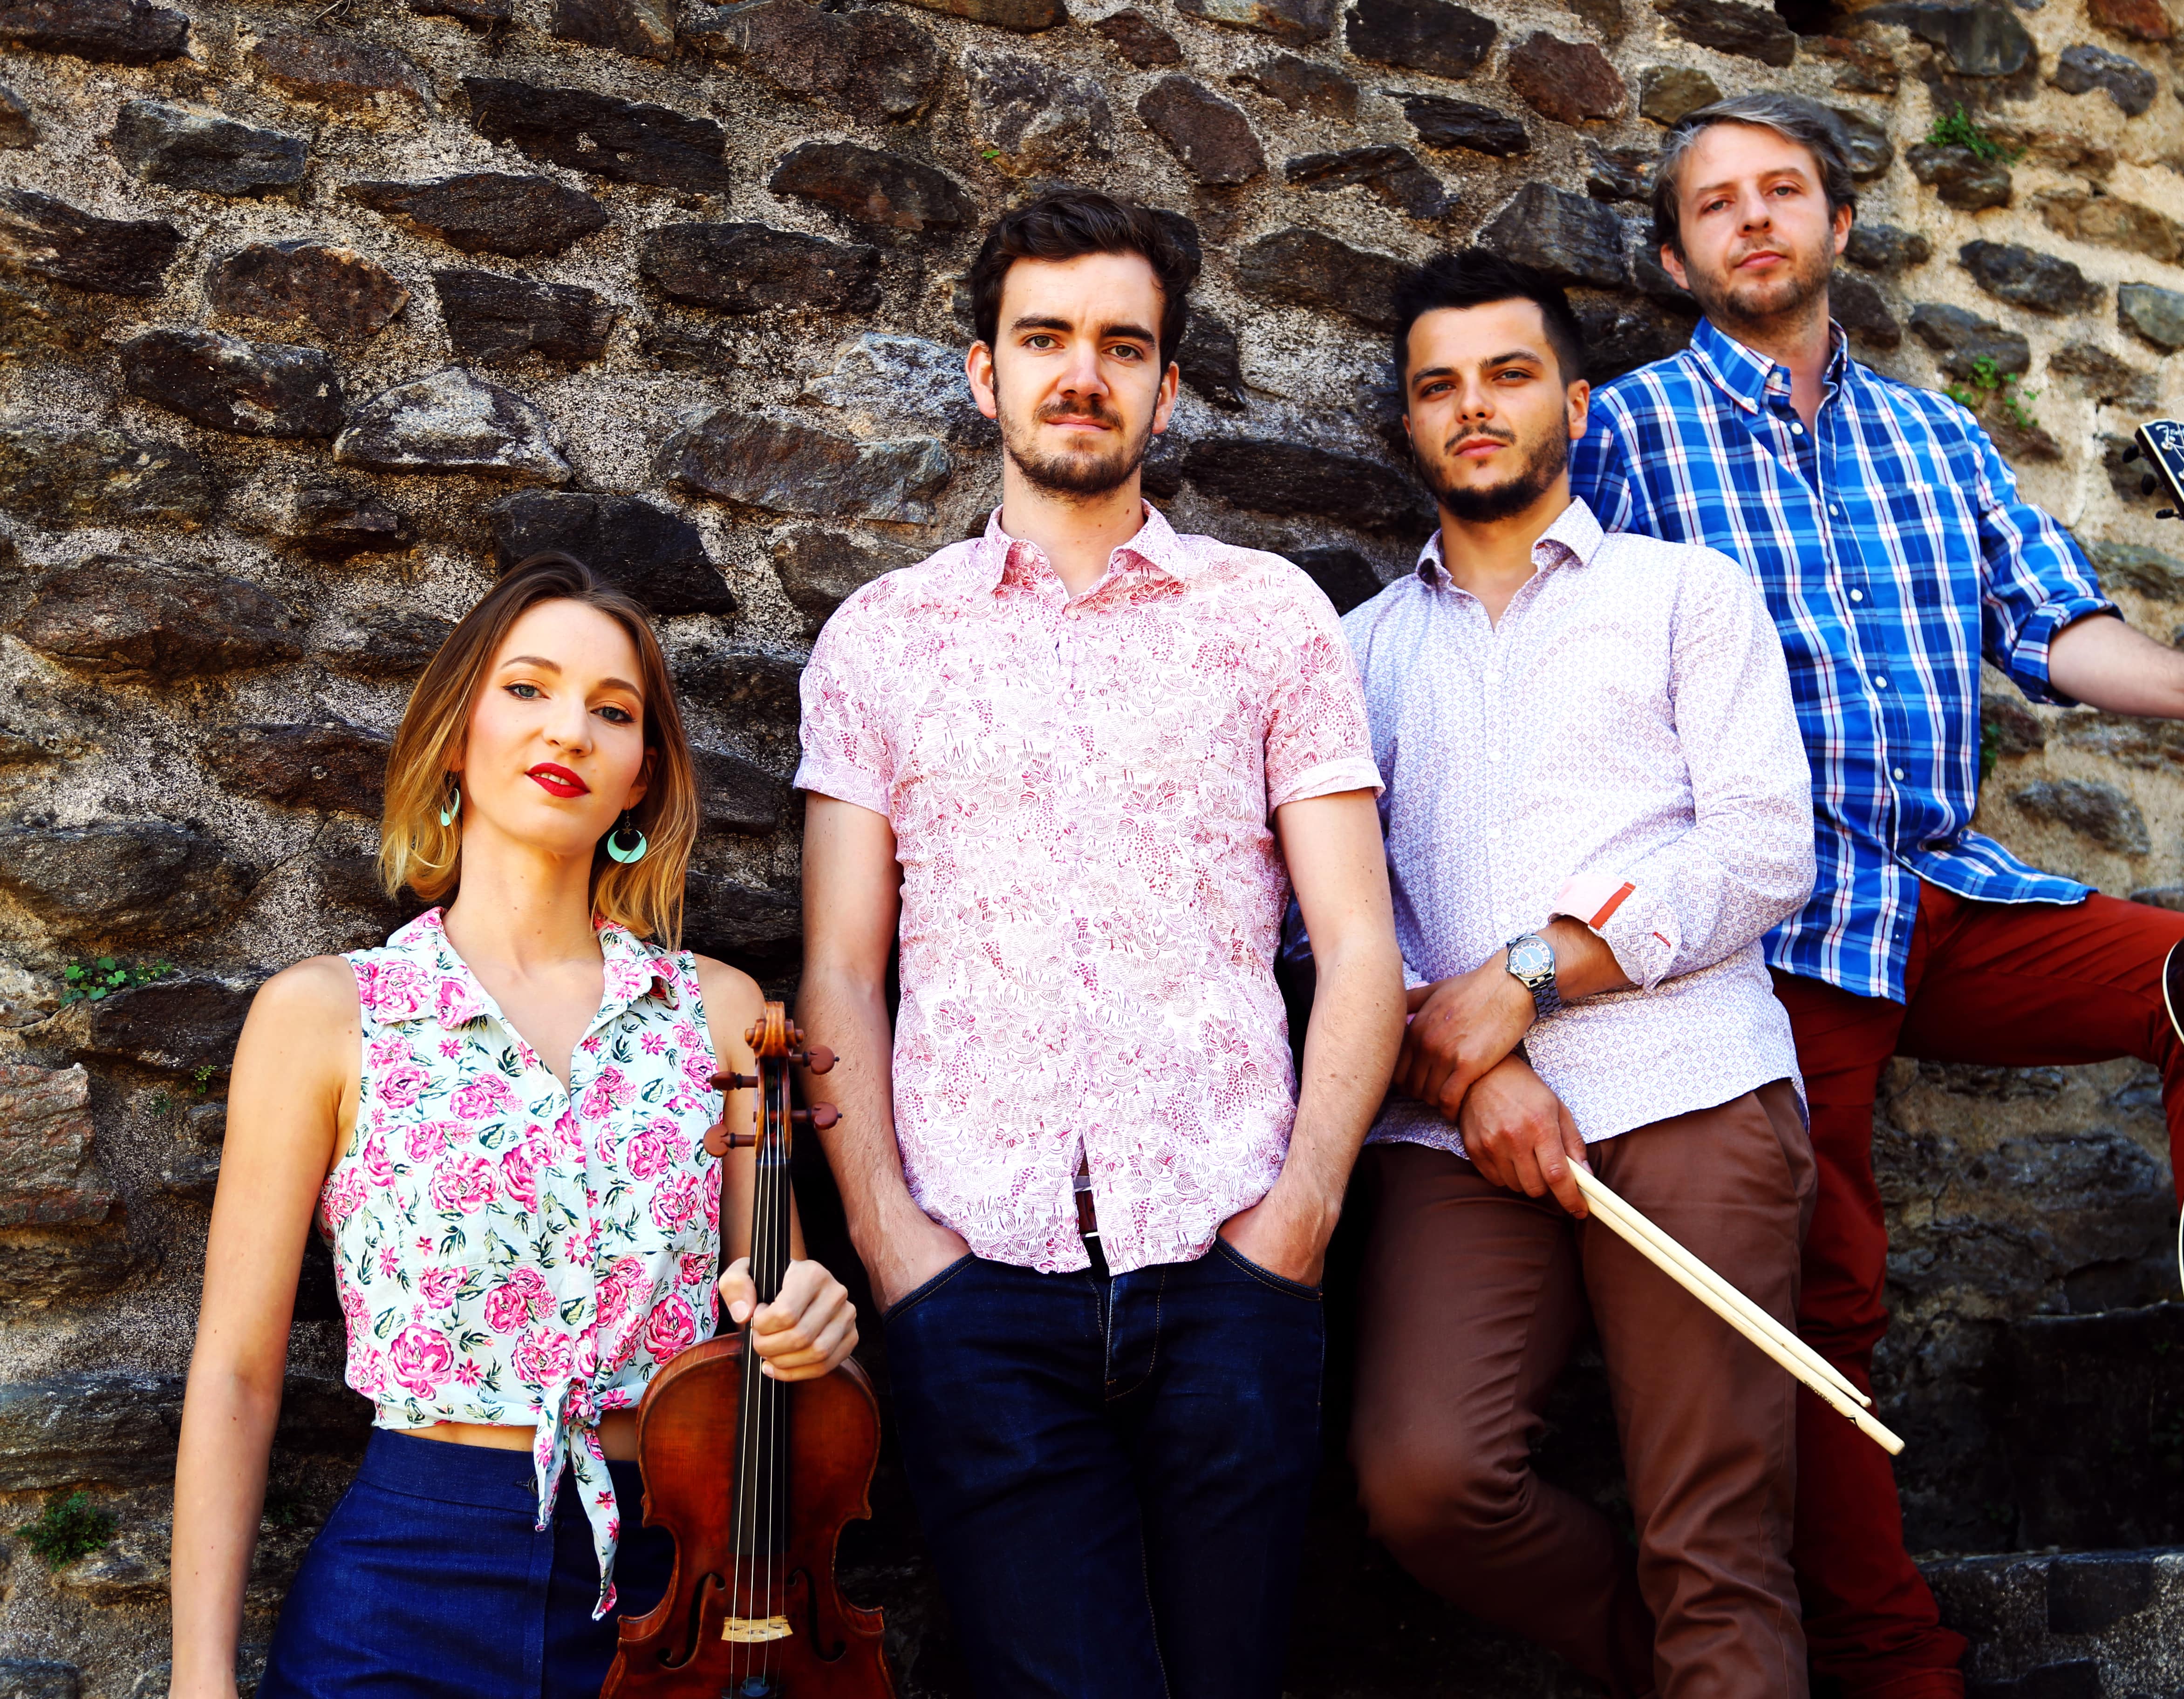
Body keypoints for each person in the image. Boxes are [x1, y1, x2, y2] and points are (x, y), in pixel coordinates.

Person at [1572, 91, 2184, 1699]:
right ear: (1673, 254)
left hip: (1954, 888)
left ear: (1838, 226)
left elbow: (2057, 632)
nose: (1752, 218)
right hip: (1776, 922)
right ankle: (1894, 1660)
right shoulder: (1620, 436)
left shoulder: (1936, 437)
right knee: (1826, 1287)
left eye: (1782, 190)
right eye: (1715, 202)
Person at [792, 187, 1402, 1699]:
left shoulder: (1270, 620)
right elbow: (838, 973)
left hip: (1230, 1263)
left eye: (1120, 344)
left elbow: (1357, 938)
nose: (1082, 371)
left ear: (1166, 384)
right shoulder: (885, 635)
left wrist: (1300, 1220)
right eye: (1044, 337)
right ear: (986, 372)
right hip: (974, 1280)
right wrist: (893, 1246)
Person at [169, 555, 861, 1699]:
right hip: (404, 1573)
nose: (573, 732)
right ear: (457, 733)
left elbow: (764, 1309)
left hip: (665, 1578)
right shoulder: (328, 1015)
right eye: (528, 689)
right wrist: (202, 1676)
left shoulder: (723, 1013)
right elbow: (240, 1373)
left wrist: (812, 1321)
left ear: (641, 777)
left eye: (614, 710)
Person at [1346, 249, 1821, 1699]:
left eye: (1508, 375)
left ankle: (1720, 1658)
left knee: (1718, 1538)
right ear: (1411, 424)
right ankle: (1678, 1668)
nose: (1474, 408)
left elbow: (1761, 849)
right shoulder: (1352, 653)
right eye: (1440, 387)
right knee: (1424, 1481)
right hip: (1451, 1132)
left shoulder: (1691, 595)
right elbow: (1327, 919)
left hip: (1690, 1086)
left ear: (1575, 399)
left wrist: (1536, 971)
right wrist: (1478, 1059)